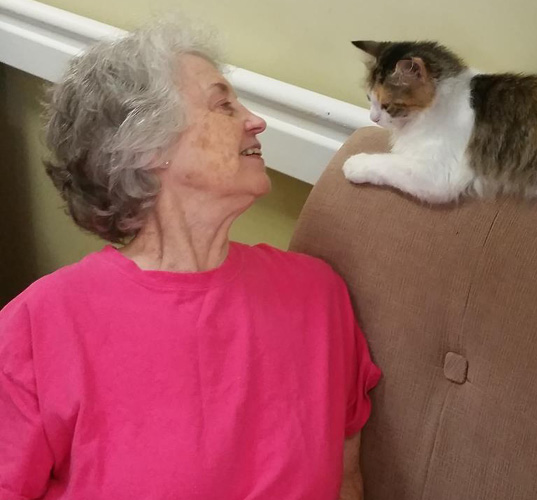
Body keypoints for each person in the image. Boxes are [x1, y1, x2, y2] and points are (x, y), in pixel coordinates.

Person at [0, 22, 380, 500]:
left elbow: (347, 481)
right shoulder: (38, 329)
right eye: (224, 105)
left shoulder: (318, 295)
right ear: (148, 147)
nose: (255, 120)